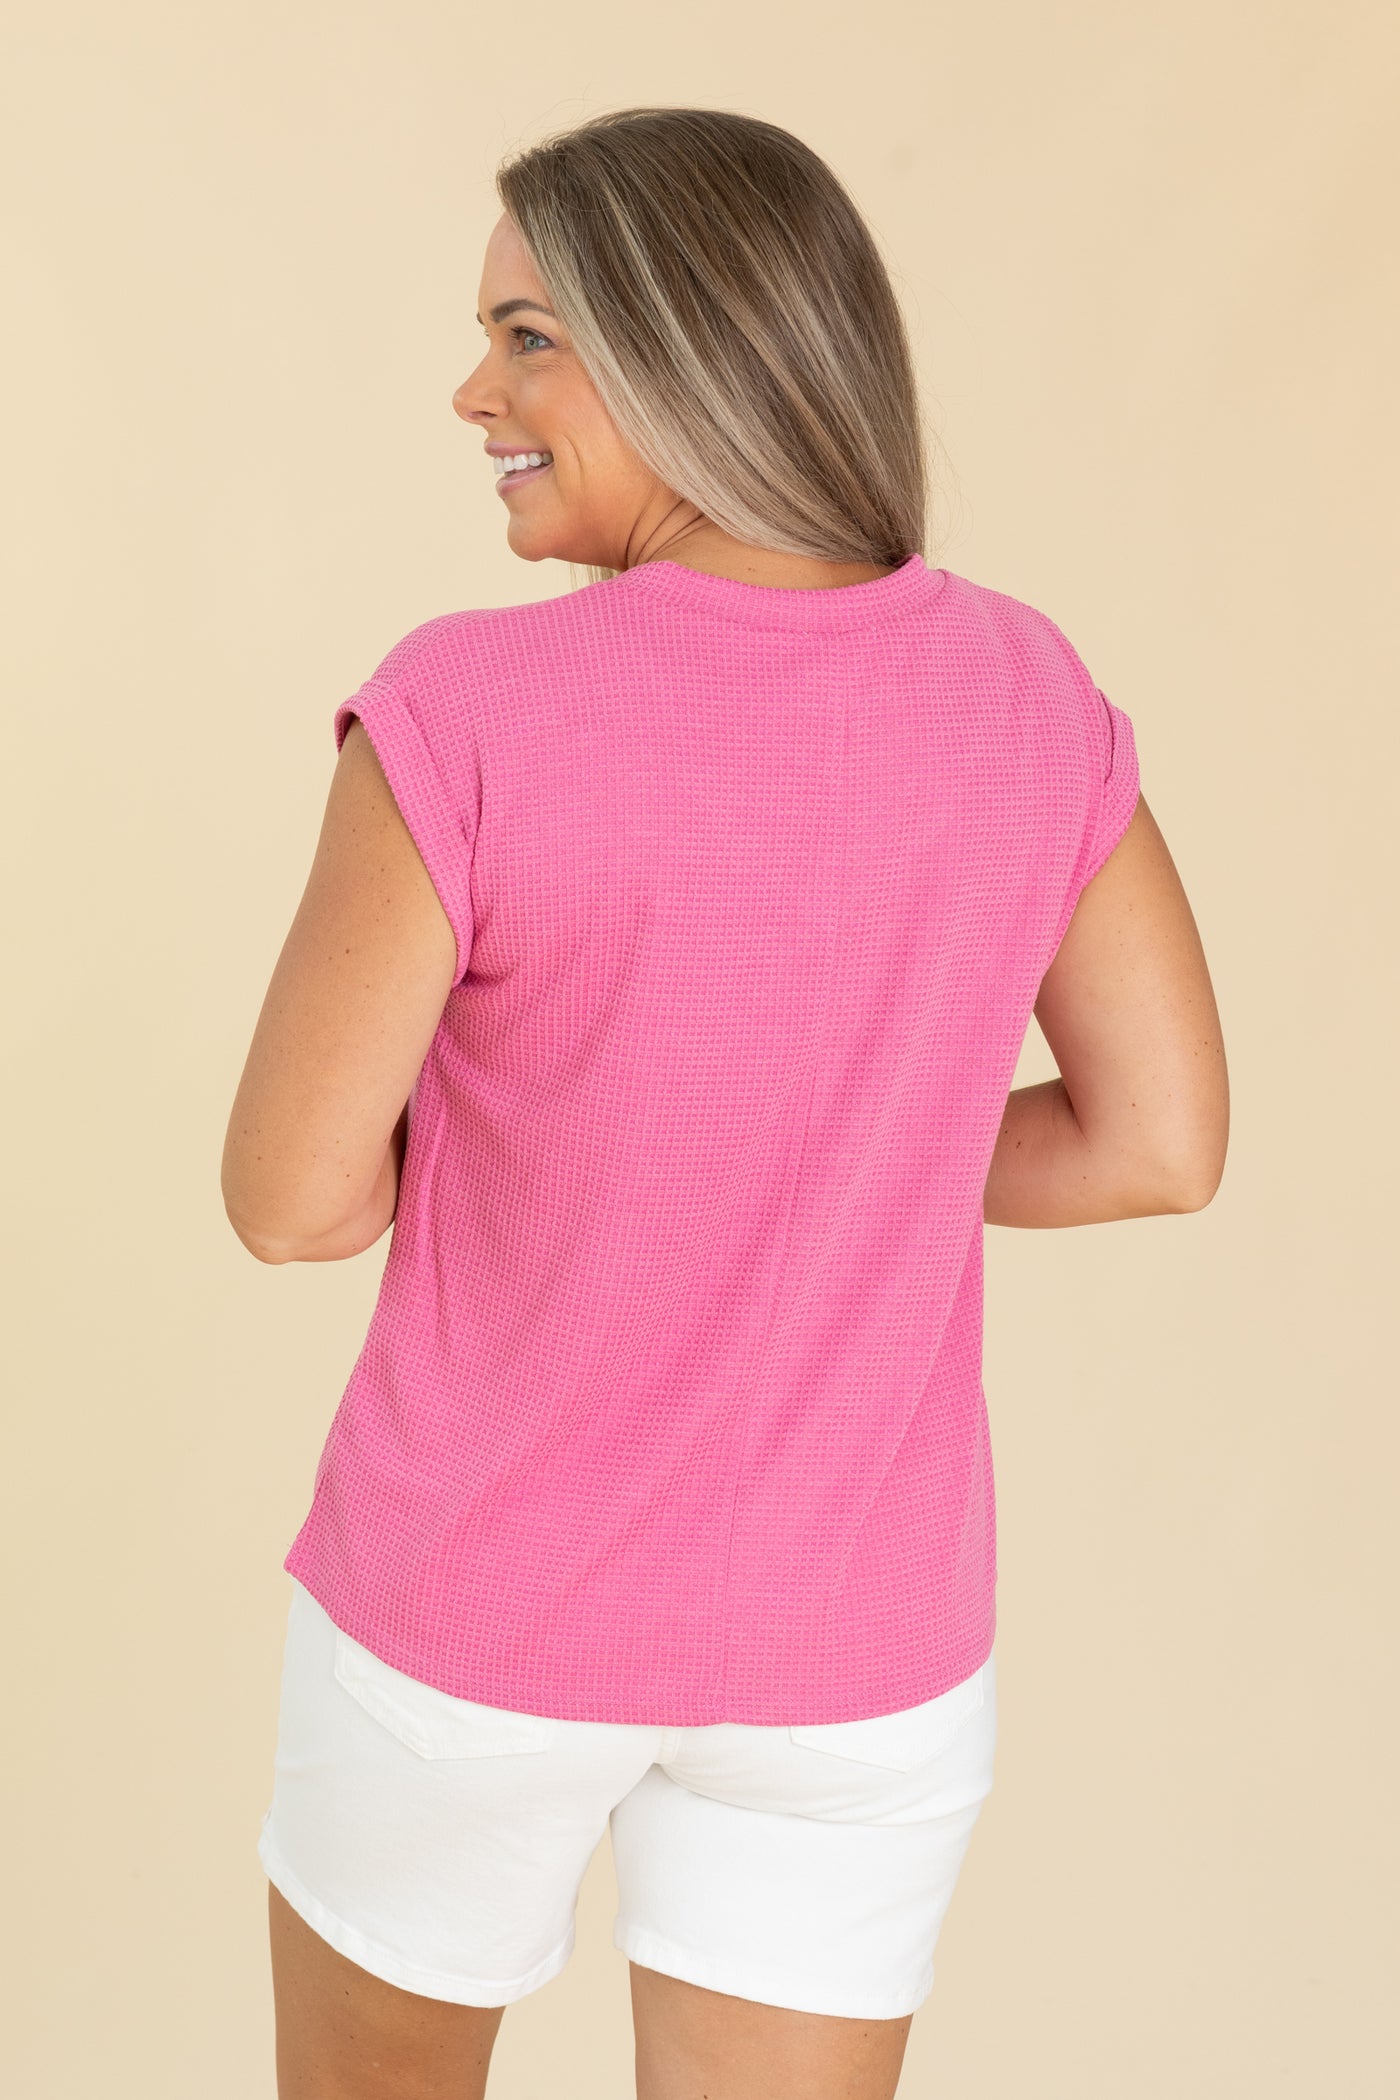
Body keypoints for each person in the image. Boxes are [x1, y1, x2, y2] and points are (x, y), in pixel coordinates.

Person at [225, 106, 1229, 2100]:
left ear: (684, 345)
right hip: (854, 1654)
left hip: (473, 1628)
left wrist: (578, 1132)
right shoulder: (1029, 694)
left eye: (526, 337)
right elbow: (1157, 1145)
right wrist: (835, 1144)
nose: (472, 394)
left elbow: (291, 1196)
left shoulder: (467, 710)